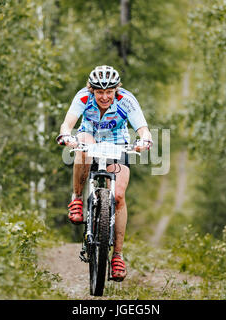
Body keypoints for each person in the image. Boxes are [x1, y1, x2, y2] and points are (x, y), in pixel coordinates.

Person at [56, 65, 152, 282]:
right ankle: (77, 199)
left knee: (118, 196)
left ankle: (117, 255)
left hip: (117, 141)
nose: (105, 96)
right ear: (92, 90)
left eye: (109, 92)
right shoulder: (82, 97)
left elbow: (142, 128)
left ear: (116, 89)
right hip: (89, 134)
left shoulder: (126, 99)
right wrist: (65, 135)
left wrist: (145, 140)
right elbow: (67, 124)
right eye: (100, 92)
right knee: (82, 149)